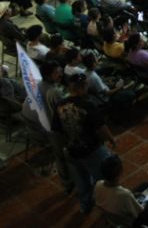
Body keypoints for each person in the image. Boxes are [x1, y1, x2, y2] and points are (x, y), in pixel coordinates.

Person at [53, 72, 116, 214]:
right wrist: (112, 139)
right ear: (82, 87)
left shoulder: (60, 105)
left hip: (72, 151)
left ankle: (85, 206)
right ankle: (109, 207)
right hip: (91, 150)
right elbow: (101, 127)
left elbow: (56, 130)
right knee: (104, 179)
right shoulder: (87, 105)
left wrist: (65, 147)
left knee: (81, 181)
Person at [95, 154, 148, 227]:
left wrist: (133, 198)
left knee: (145, 185)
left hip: (115, 212)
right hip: (133, 221)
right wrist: (143, 202)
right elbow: (138, 212)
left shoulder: (98, 184)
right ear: (120, 172)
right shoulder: (124, 194)